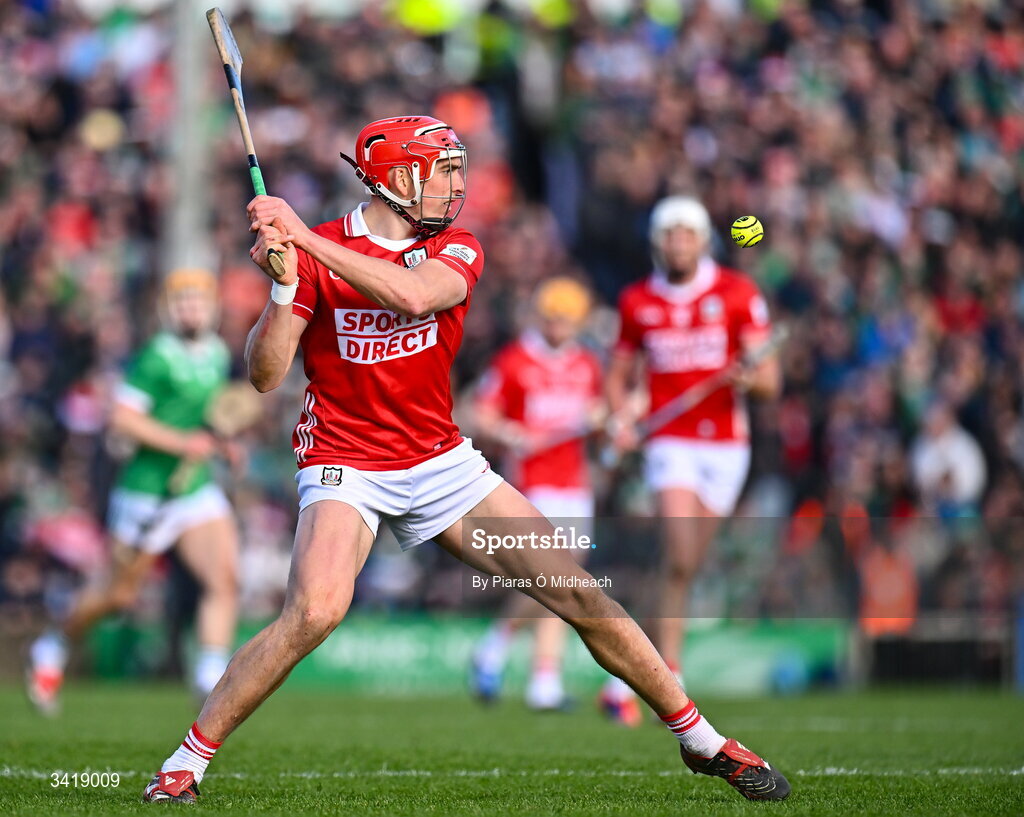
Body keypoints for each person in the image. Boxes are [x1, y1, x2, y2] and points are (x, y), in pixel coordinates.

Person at [141, 117, 790, 804]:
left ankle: (701, 739)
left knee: (579, 592)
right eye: (442, 171)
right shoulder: (318, 251)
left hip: (440, 461)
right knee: (315, 611)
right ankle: (185, 760)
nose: (458, 183)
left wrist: (301, 240)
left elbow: (415, 296)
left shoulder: (455, 246)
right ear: (395, 181)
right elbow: (267, 375)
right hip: (345, 460)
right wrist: (281, 287)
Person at [27, 268, 240, 714]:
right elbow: (123, 419)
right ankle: (52, 646)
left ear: (212, 307)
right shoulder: (156, 357)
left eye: (198, 301)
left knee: (223, 580)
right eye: (182, 302)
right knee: (118, 595)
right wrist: (186, 443)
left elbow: (200, 420)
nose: (191, 310)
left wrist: (220, 445)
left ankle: (208, 679)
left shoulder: (217, 353)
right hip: (147, 491)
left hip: (194, 489)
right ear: (168, 310)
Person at [601, 196, 781, 716]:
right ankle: (670, 671)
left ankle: (630, 675)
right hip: (669, 442)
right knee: (679, 553)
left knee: (683, 569)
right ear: (658, 242)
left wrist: (750, 376)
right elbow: (619, 376)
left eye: (688, 234)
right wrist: (621, 420)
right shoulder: (637, 301)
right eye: (669, 235)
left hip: (726, 445)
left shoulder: (737, 293)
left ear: (703, 241)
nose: (678, 244)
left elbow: (770, 379)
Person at [470, 276, 601, 711]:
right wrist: (509, 431)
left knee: (563, 584)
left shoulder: (586, 364)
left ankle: (533, 673)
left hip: (575, 484)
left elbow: (598, 414)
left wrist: (601, 419)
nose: (560, 325)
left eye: (568, 319)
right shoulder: (515, 360)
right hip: (532, 483)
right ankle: (514, 659)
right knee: (552, 579)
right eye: (554, 317)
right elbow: (481, 412)